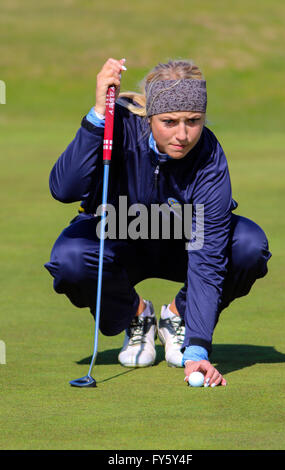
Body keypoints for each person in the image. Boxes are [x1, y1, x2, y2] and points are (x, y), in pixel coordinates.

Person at [45, 57, 271, 387]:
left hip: (181, 244)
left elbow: (208, 257)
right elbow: (63, 189)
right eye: (169, 121)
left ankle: (178, 319)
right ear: (149, 116)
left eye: (193, 121)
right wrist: (97, 115)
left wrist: (197, 351)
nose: (183, 134)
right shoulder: (117, 125)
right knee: (70, 257)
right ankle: (136, 317)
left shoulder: (208, 155)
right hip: (119, 237)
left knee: (249, 245)